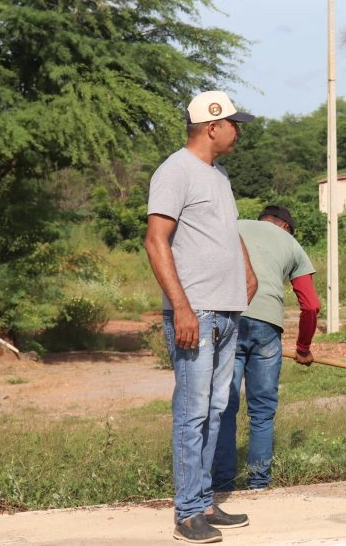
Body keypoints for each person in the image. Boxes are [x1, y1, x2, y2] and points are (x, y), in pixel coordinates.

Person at [145, 90, 259, 544]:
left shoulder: (219, 175)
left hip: (227, 310)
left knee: (216, 408)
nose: (238, 132)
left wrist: (247, 269)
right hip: (198, 311)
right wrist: (182, 307)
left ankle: (205, 501)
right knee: (192, 412)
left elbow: (228, 231)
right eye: (234, 124)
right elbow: (156, 240)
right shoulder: (175, 170)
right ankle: (187, 512)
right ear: (213, 127)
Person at [213, 204, 320, 492]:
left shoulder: (234, 227)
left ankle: (222, 484)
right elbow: (311, 305)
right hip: (267, 326)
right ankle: (258, 483)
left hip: (227, 318)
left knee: (224, 405)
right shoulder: (291, 244)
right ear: (285, 226)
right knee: (262, 411)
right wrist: (303, 347)